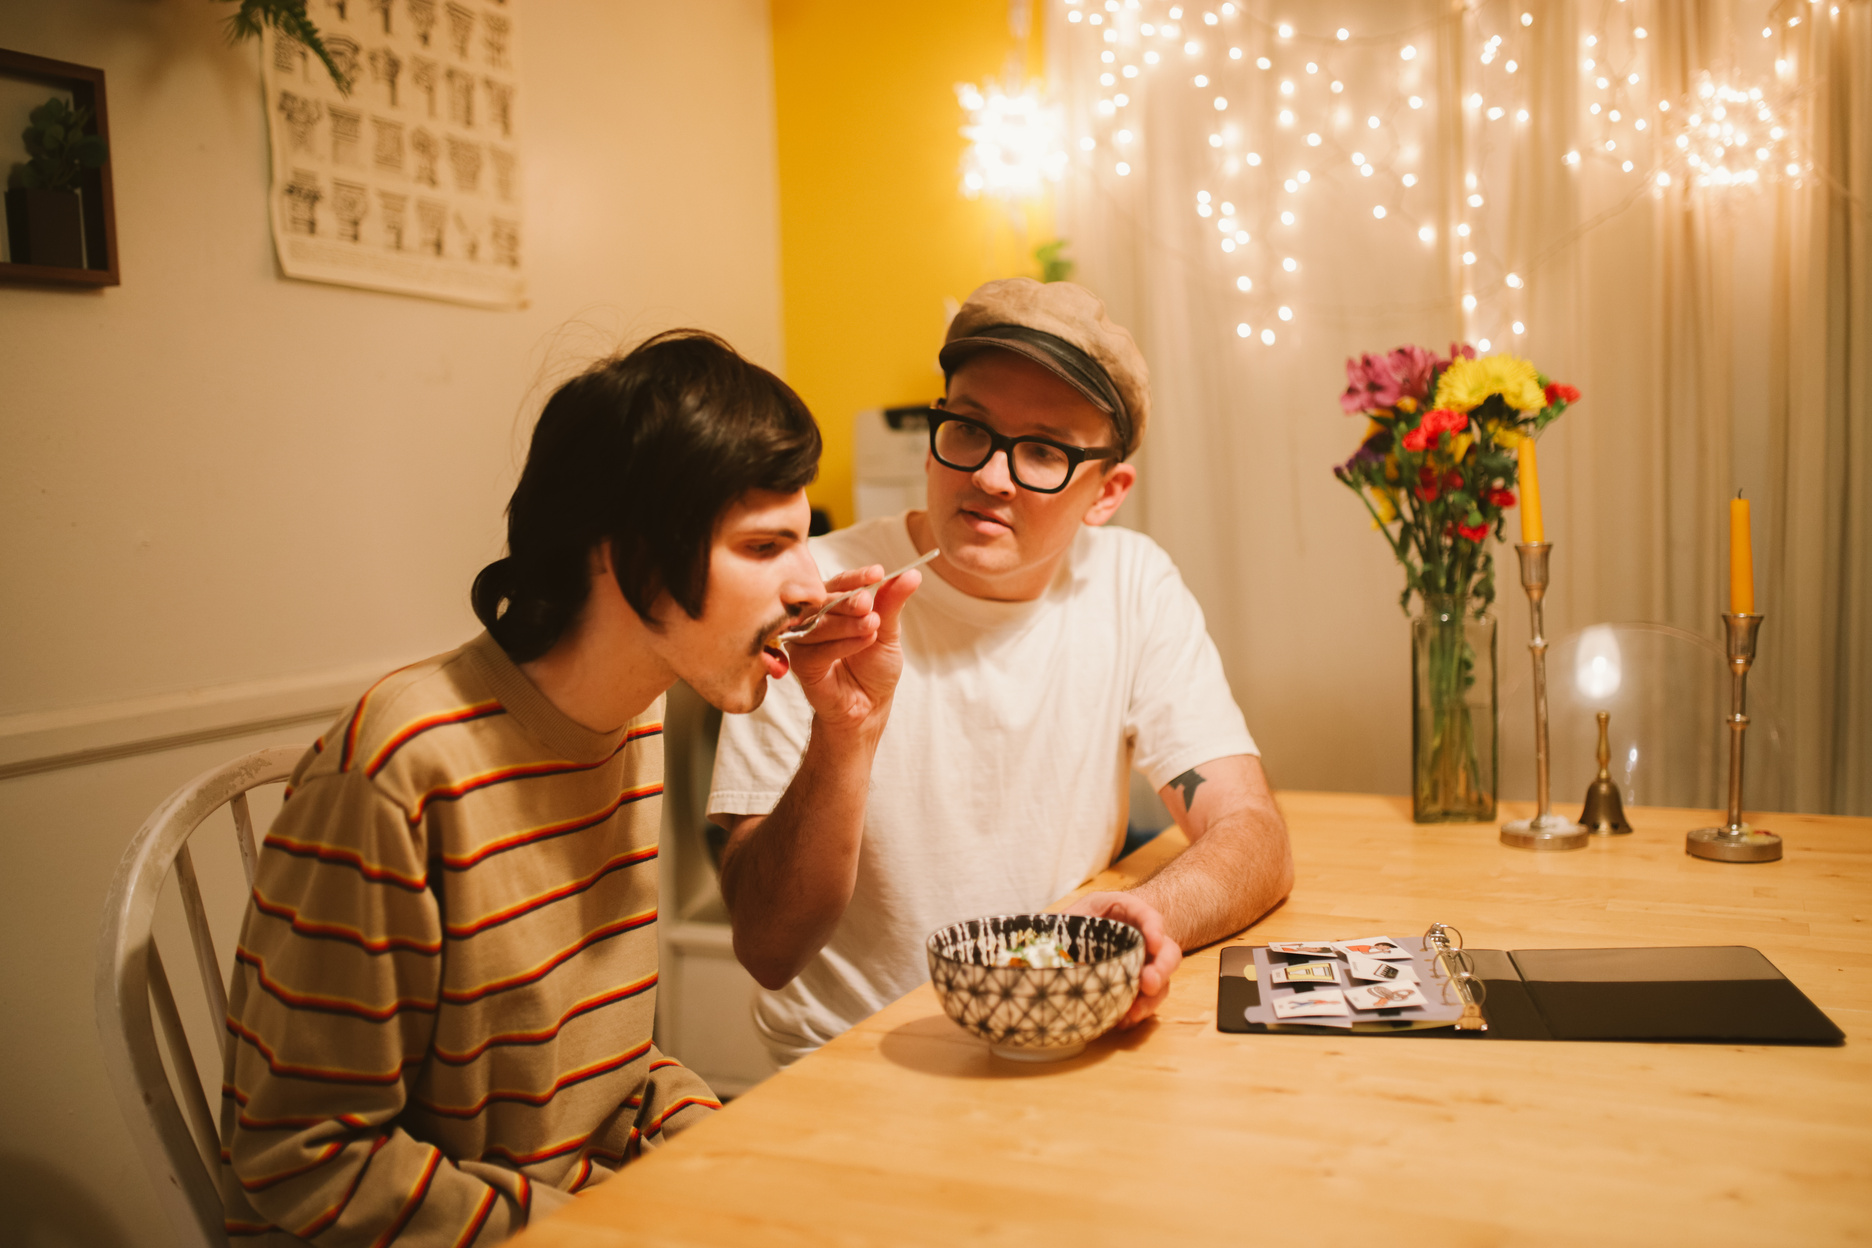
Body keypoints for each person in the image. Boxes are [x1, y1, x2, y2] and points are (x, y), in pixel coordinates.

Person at [219, 331, 919, 1245]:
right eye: (762, 546)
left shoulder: (632, 721)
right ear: (619, 555)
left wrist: (732, 1159)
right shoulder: (404, 768)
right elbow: (303, 1158)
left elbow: (607, 1076)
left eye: (802, 540)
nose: (806, 585)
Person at [708, 277, 1296, 1066]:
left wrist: (1144, 918)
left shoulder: (1131, 584)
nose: (989, 477)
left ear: (1107, 492)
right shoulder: (814, 591)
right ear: (934, 430)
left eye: (1045, 451)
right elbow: (768, 947)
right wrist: (844, 731)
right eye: (970, 430)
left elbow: (1252, 832)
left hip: (1060, 1037)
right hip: (847, 1062)